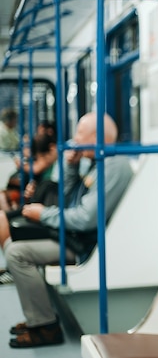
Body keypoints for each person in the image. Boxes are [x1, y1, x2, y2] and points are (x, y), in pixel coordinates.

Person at [0, 112, 134, 348]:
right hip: (73, 234)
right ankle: (38, 318)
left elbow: (85, 219)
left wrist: (44, 214)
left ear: (96, 136)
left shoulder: (114, 166)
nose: (74, 138)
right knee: (14, 242)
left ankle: (45, 327)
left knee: (16, 252)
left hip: (85, 243)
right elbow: (63, 198)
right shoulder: (91, 161)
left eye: (80, 133)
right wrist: (71, 167)